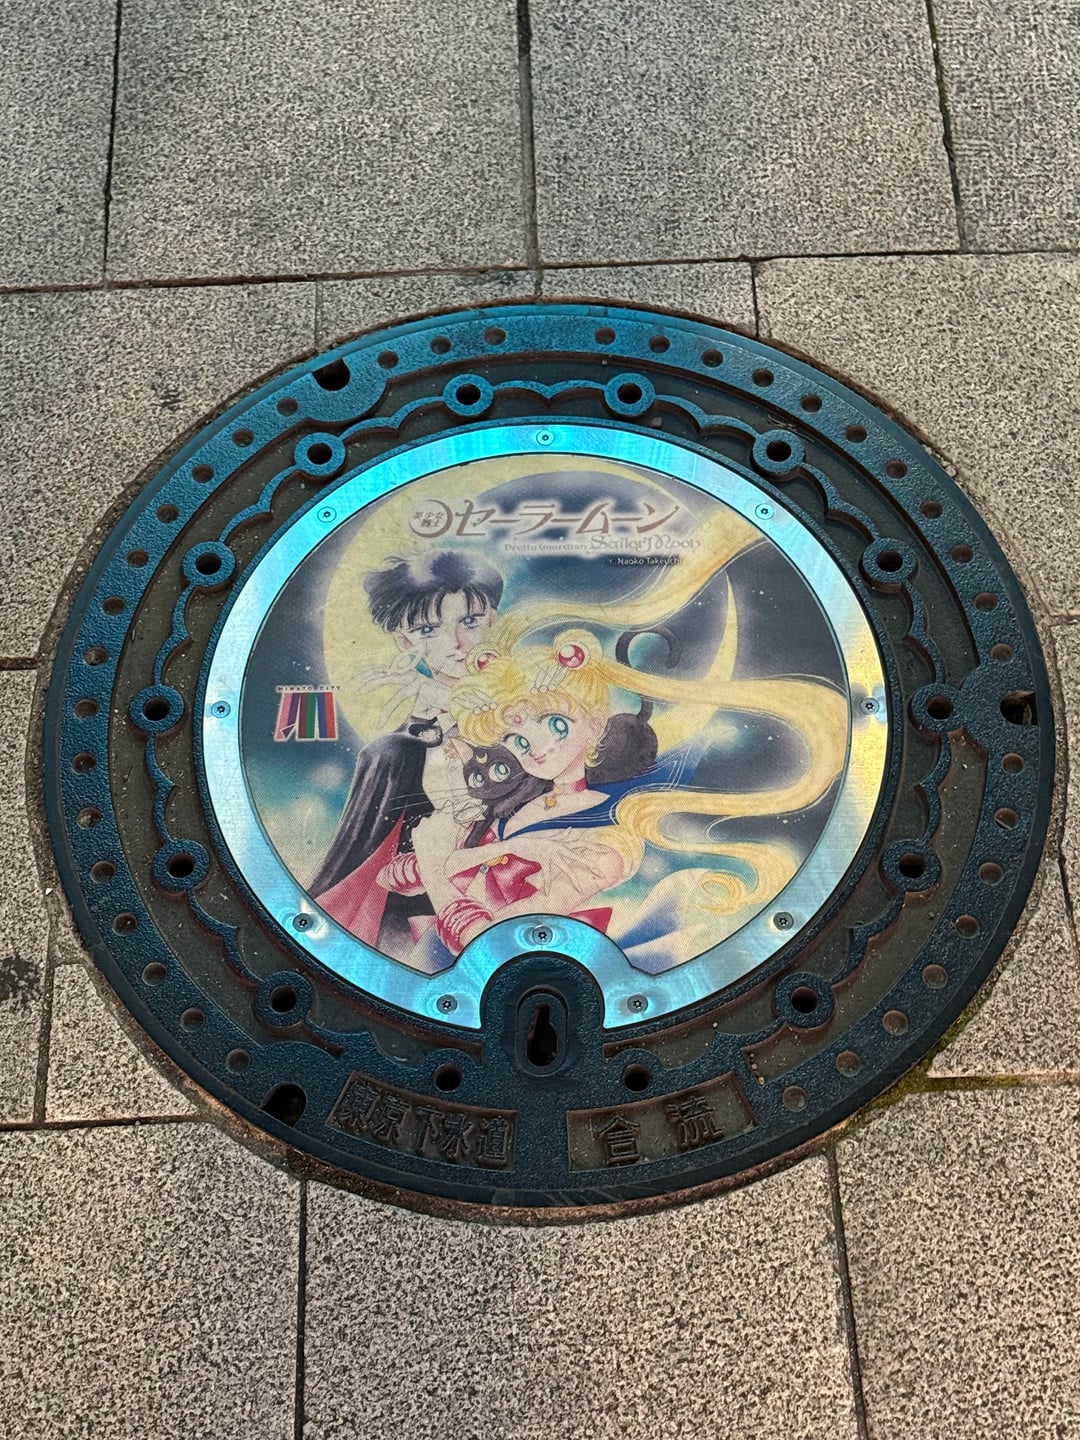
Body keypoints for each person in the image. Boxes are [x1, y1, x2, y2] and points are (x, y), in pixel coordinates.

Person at [309, 549, 504, 954]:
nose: (457, 644)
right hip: (419, 924)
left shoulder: (537, 711)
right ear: (404, 641)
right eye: (429, 630)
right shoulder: (394, 754)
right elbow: (355, 871)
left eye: (470, 621)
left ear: (494, 620)